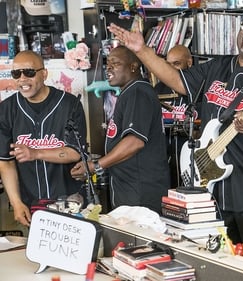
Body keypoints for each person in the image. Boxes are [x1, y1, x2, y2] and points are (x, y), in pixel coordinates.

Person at [109, 10, 243, 260]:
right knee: (216, 256)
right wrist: (142, 50)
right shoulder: (219, 67)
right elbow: (177, 81)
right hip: (211, 186)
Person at [71, 46, 170, 214]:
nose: (108, 67)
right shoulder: (129, 92)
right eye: (107, 63)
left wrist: (96, 165)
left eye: (115, 63)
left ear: (133, 66)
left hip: (141, 193)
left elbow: (134, 142)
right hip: (130, 189)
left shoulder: (138, 92)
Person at [0, 50, 87, 226]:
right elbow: (5, 161)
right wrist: (16, 203)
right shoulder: (6, 110)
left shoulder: (70, 104)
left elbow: (74, 152)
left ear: (44, 74)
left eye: (29, 72)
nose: (22, 79)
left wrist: (35, 153)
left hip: (70, 202)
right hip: (30, 203)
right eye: (16, 73)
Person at [154, 45, 194, 188]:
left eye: (176, 64)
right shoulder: (158, 89)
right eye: (168, 64)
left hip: (190, 155)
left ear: (189, 63)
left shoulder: (199, 90)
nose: (170, 69)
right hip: (163, 156)